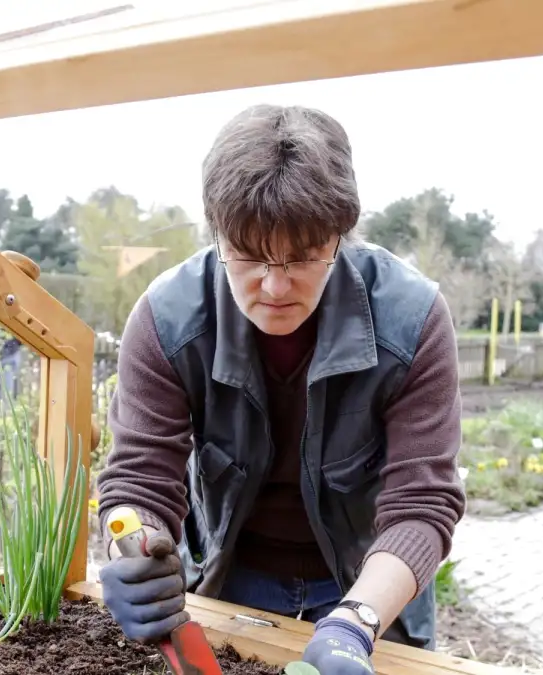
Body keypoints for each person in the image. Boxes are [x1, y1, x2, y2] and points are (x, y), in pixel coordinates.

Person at [95, 105, 466, 674]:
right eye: (247, 254)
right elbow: (139, 478)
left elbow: (423, 502)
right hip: (233, 581)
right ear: (217, 232)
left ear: (339, 238)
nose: (273, 284)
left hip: (371, 586)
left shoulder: (410, 319)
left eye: (301, 257)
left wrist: (355, 623)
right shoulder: (168, 320)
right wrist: (134, 550)